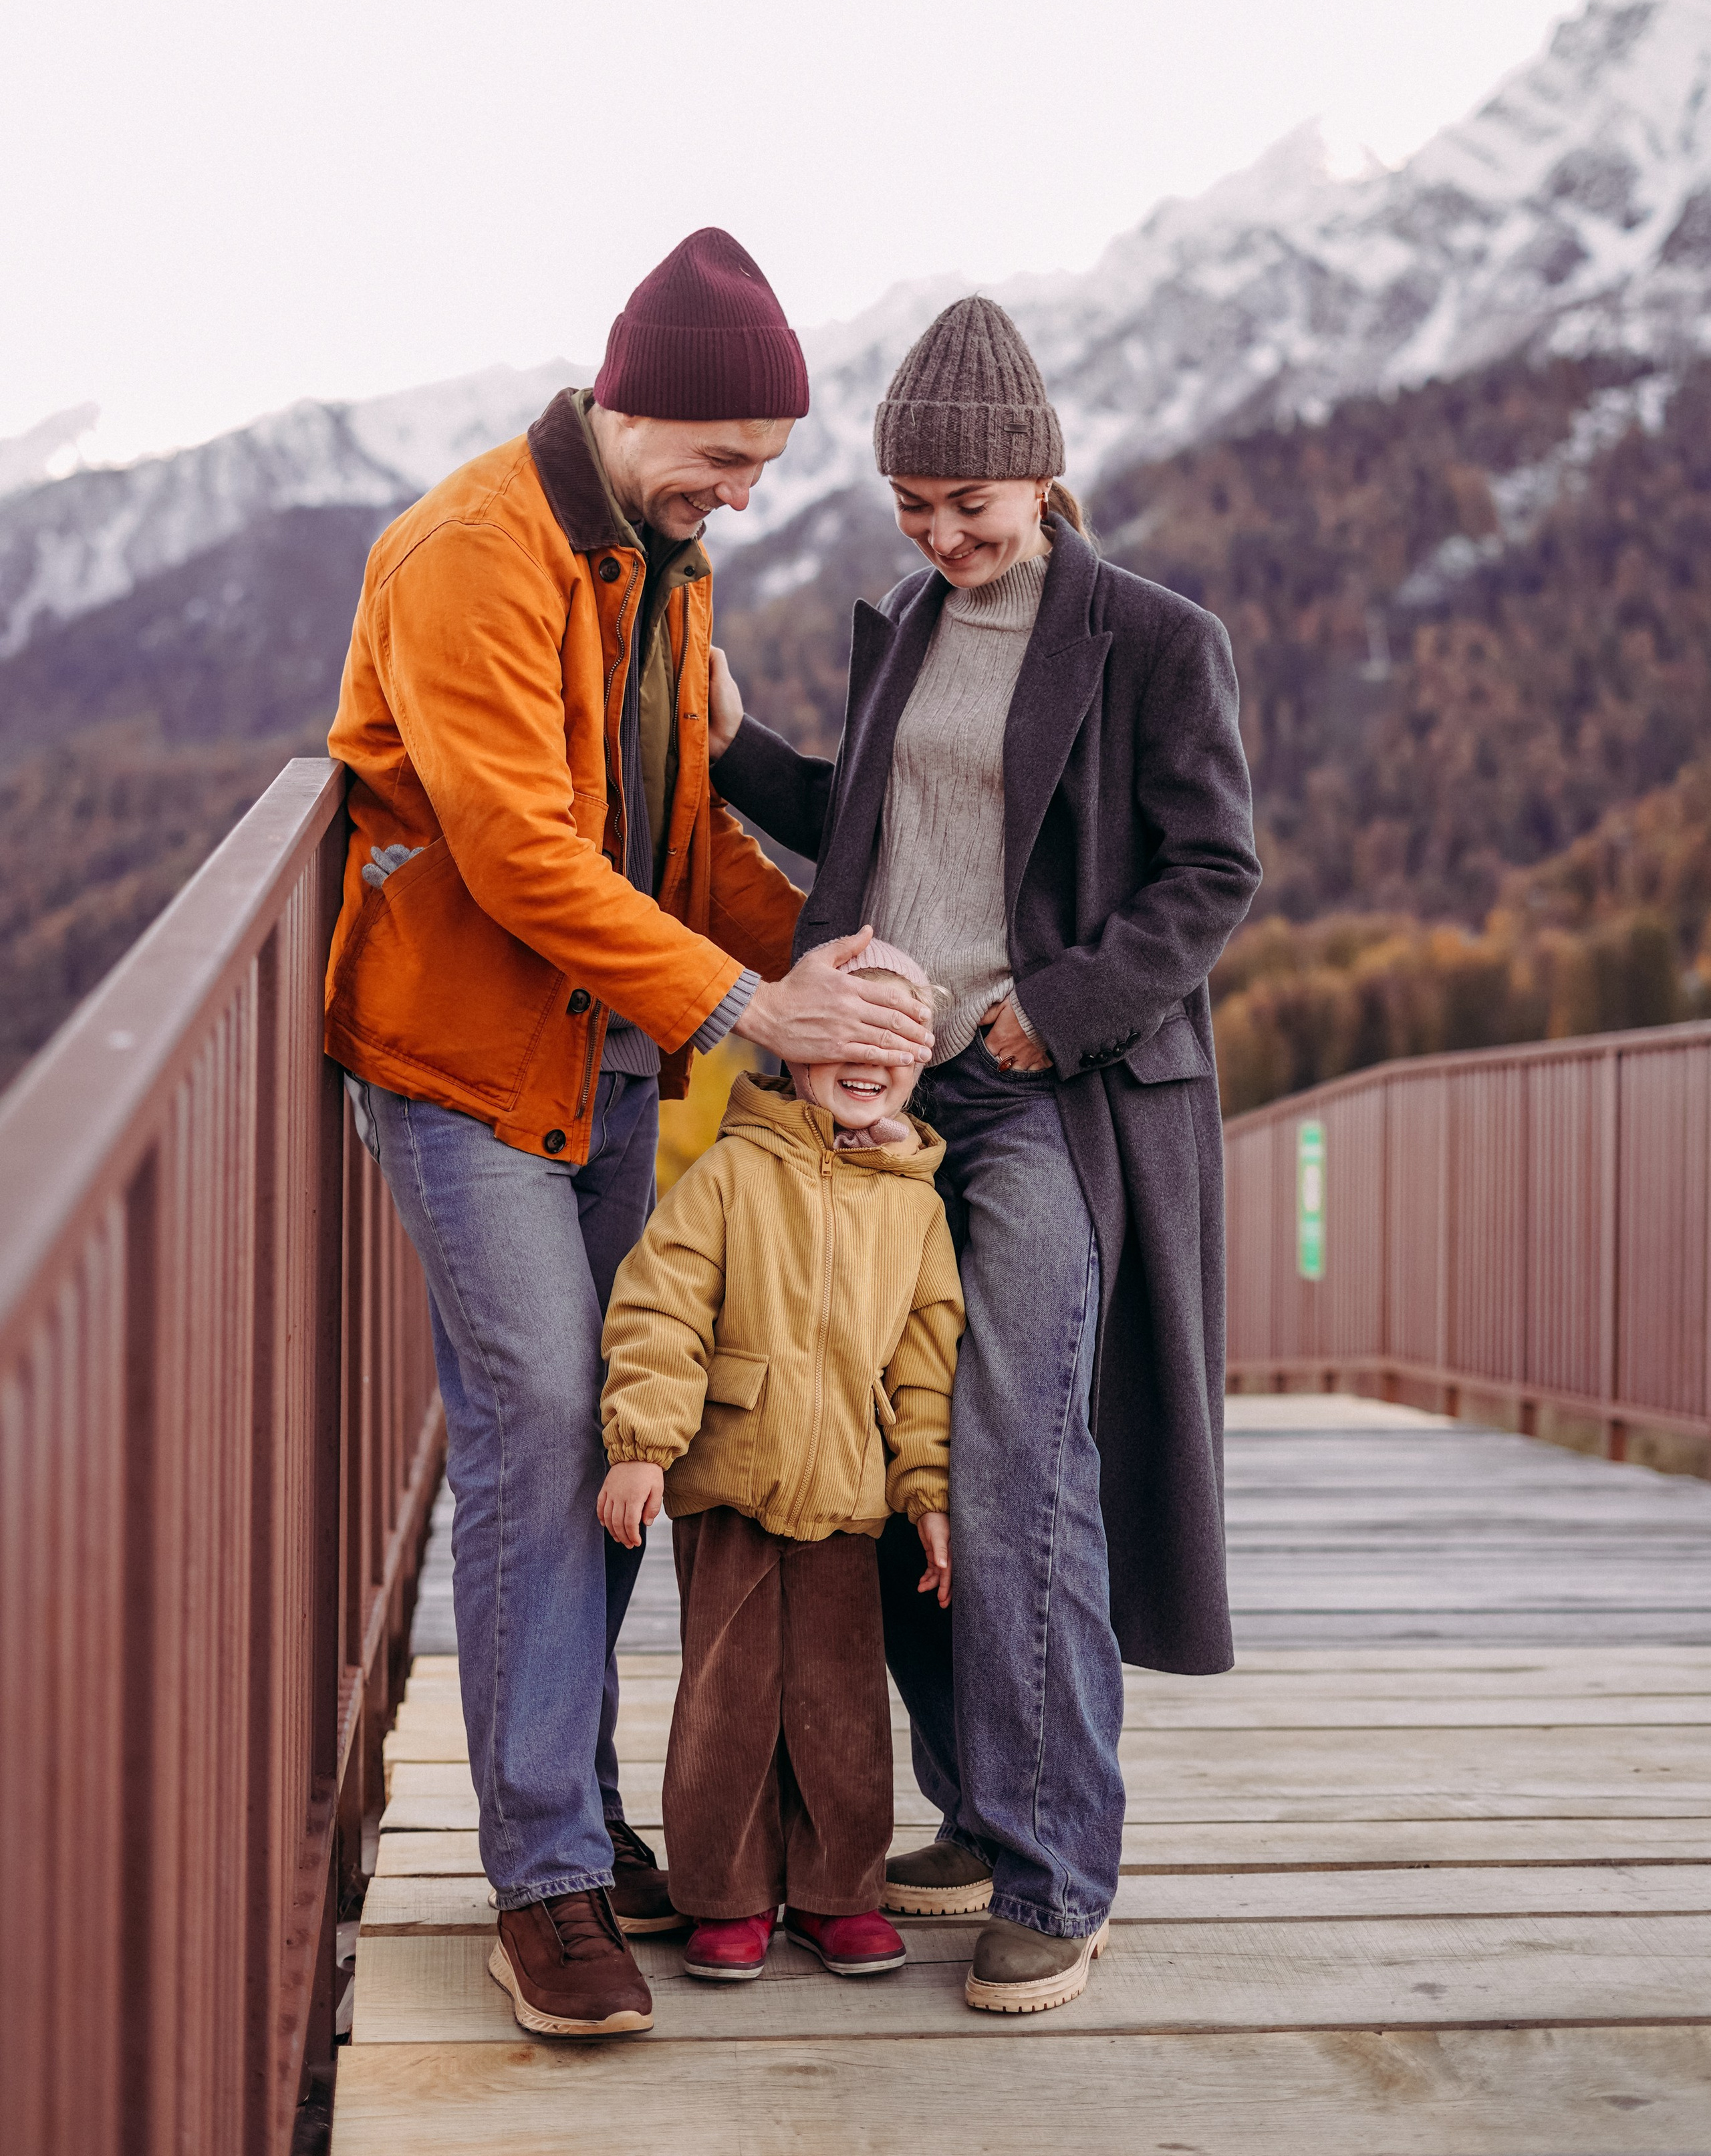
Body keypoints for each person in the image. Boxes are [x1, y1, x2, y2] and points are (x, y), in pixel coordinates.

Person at [325, 229, 936, 2040]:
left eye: (763, 468)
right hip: (456, 1066)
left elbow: (667, 851)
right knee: (531, 1430)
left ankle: (575, 1823)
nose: (743, 501)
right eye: (727, 459)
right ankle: (543, 1884)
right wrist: (758, 1012)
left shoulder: (659, 565)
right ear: (629, 400)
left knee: (610, 1433)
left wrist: (843, 966)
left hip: (596, 1062)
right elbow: (519, 855)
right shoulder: (471, 557)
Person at [707, 295, 1263, 2016]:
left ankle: (1056, 1863)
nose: (943, 536)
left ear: (1043, 470)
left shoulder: (1154, 638)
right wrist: (733, 744)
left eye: (972, 504)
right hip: (879, 1103)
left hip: (1043, 1094)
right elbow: (876, 830)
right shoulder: (906, 626)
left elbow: (1211, 870)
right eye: (914, 508)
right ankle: (972, 1799)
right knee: (894, 1451)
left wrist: (1055, 1007)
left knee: (1019, 1455)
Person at [596, 940, 962, 1986]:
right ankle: (727, 1894)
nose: (868, 1053)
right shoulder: (729, 1174)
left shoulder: (917, 1207)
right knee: (729, 1700)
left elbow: (928, 1366)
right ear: (800, 1042)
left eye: (896, 1039)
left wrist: (928, 1493)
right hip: (733, 1489)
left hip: (850, 1498)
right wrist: (643, 1442)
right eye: (847, 1028)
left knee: (843, 1703)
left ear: (922, 1063)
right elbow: (661, 1308)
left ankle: (837, 1894)